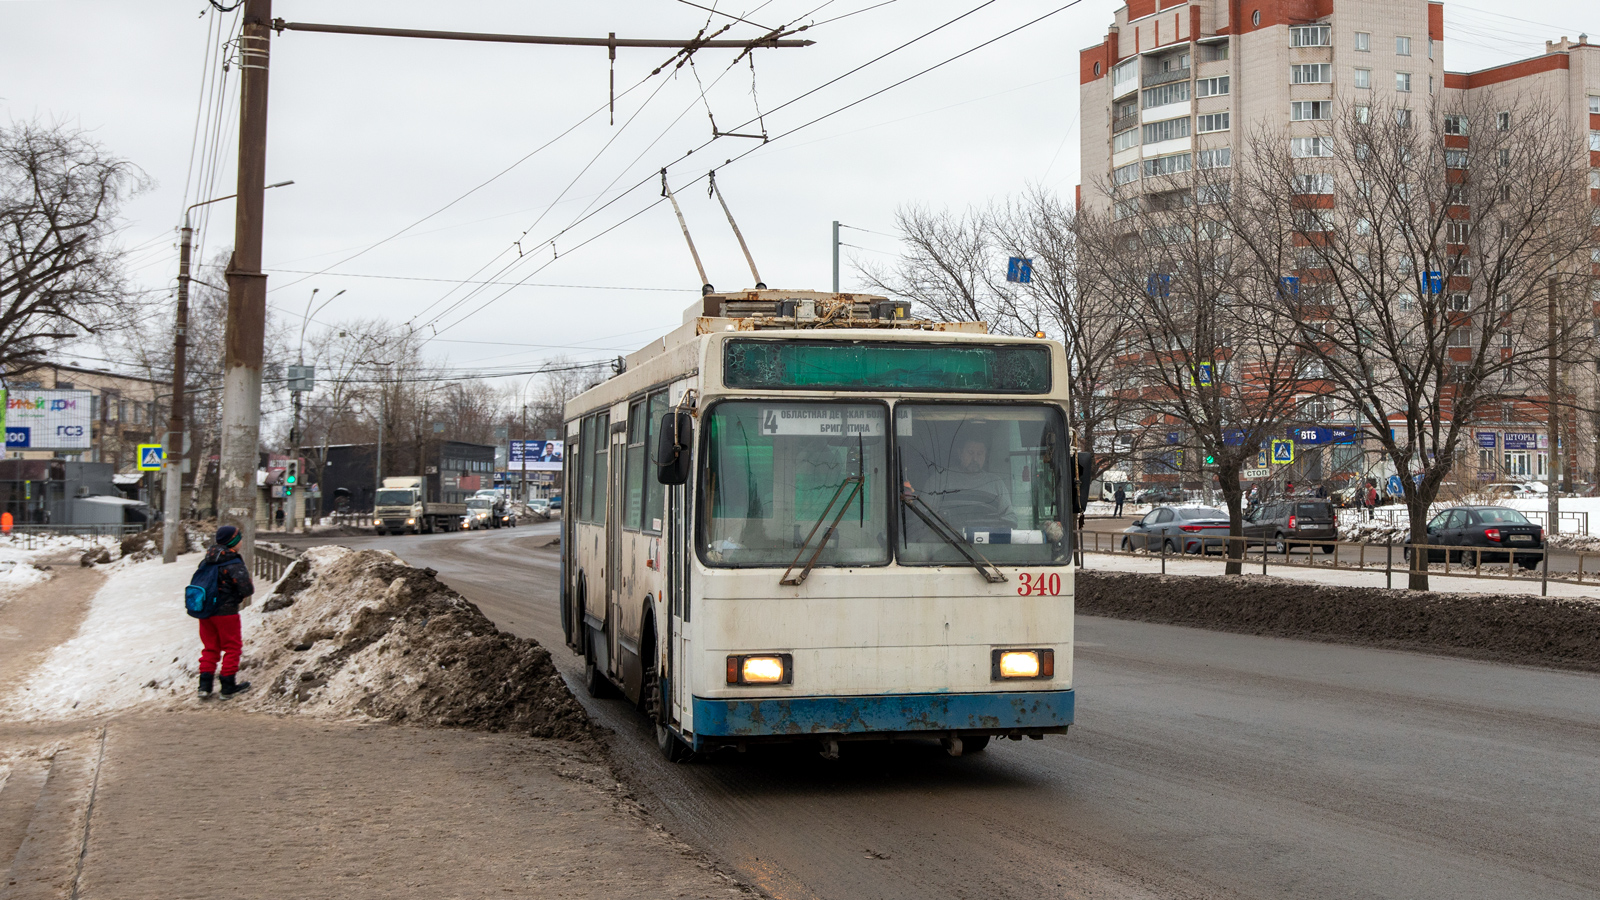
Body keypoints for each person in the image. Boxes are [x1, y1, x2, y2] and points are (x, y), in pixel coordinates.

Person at [195, 525, 255, 699]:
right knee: (232, 647)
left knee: (210, 648)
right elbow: (246, 589)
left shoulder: (207, 560)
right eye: (240, 539)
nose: (242, 542)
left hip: (205, 611)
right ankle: (228, 686)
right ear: (233, 542)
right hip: (226, 612)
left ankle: (204, 686)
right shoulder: (233, 562)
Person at [928, 437, 1014, 528]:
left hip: (987, 541)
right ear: (960, 453)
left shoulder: (996, 483)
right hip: (947, 540)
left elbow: (1010, 518)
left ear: (985, 456)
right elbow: (923, 515)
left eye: (980, 454)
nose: (975, 459)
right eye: (970, 453)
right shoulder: (940, 479)